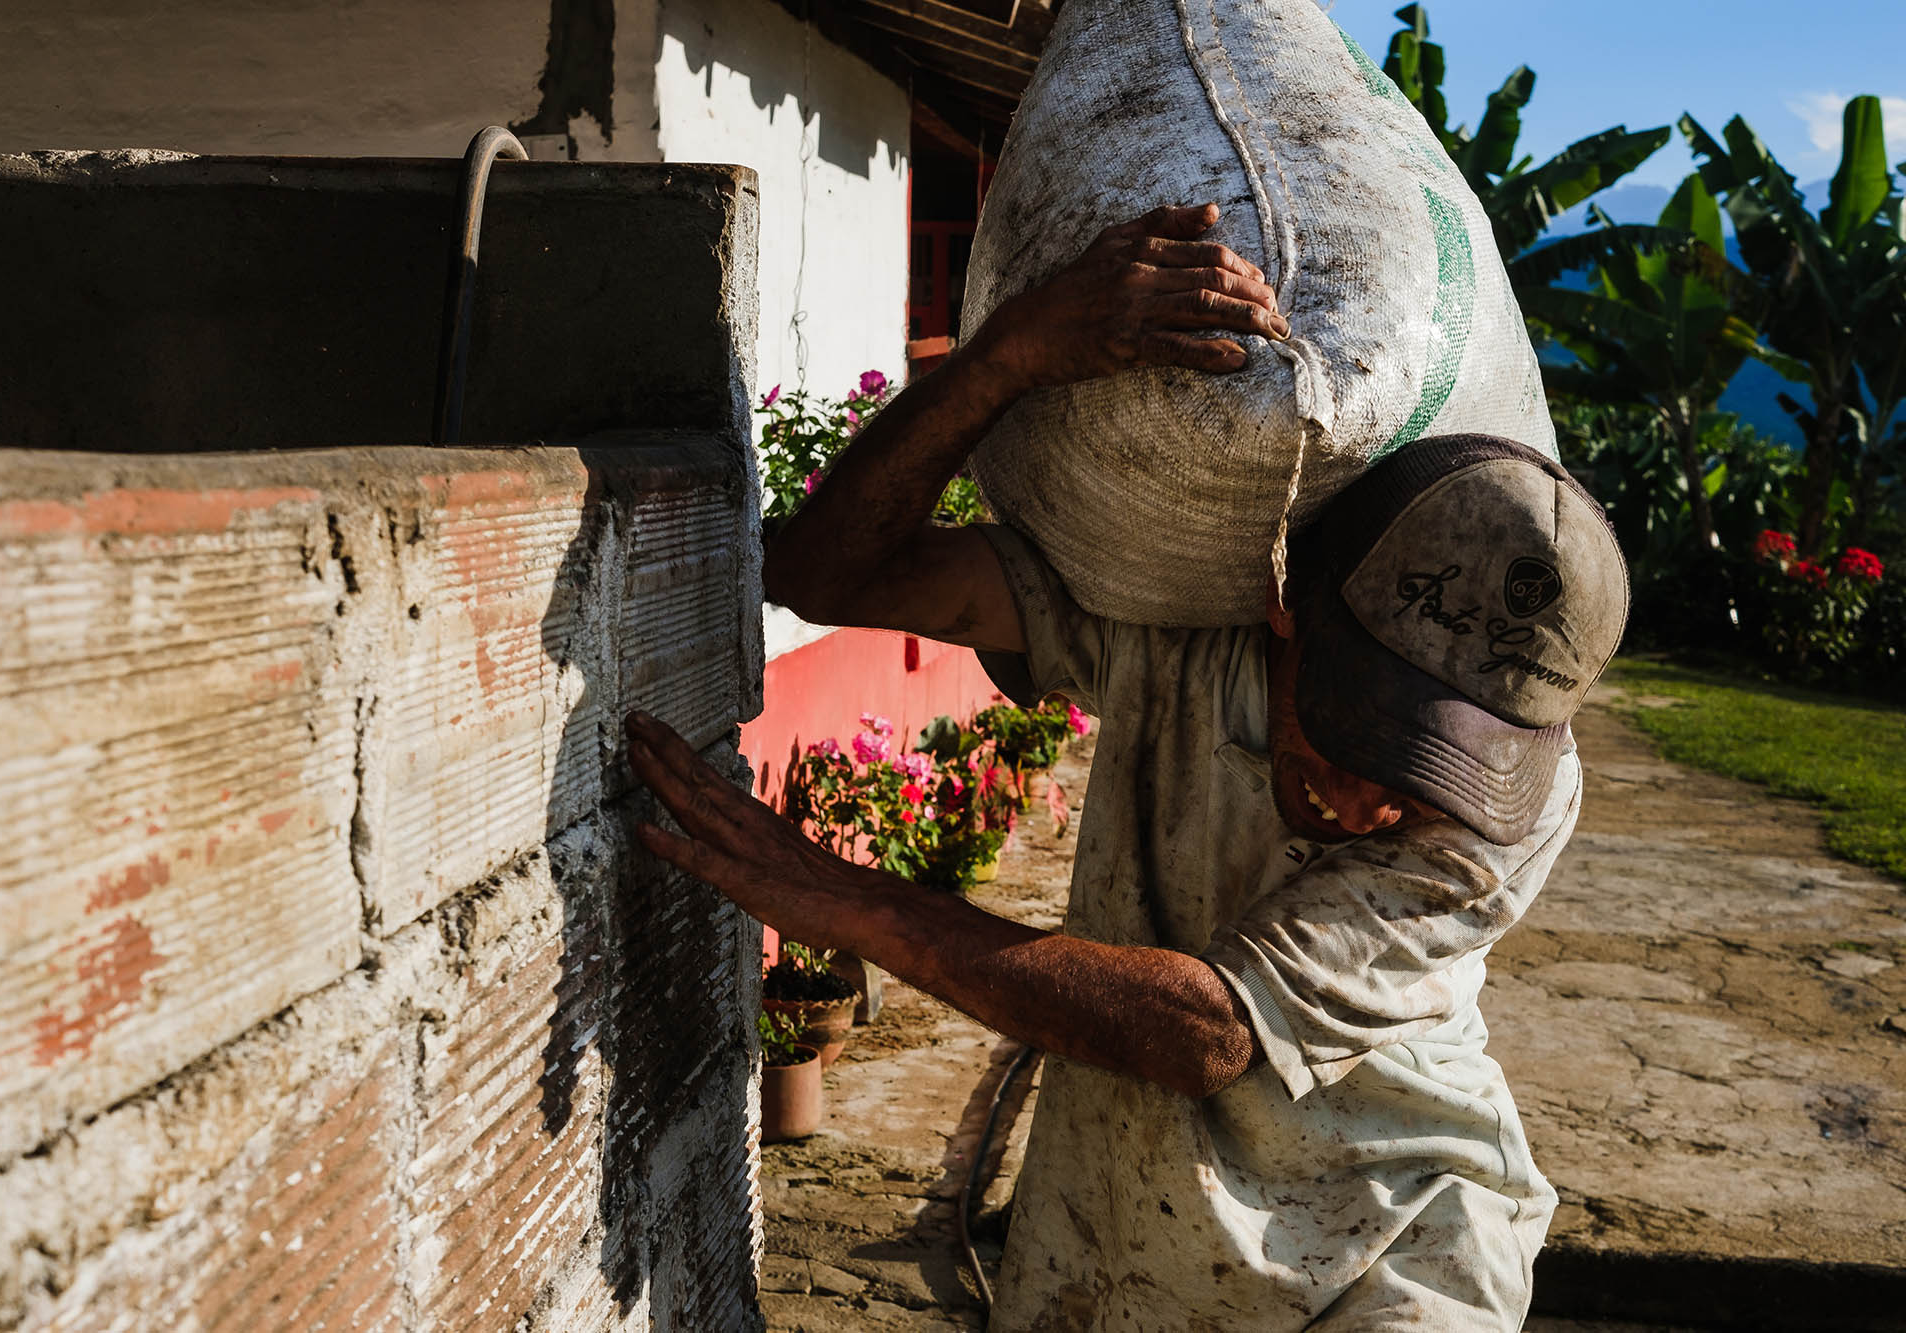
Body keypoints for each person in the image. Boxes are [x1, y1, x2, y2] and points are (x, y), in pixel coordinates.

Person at [623, 202, 1629, 1330]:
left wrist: (838, 896)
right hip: (1119, 1231)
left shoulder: (1516, 810)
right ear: (1281, 609)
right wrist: (1004, 360)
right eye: (1363, 731)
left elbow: (1201, 1030)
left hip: (1395, 1250)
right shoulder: (1173, 636)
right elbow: (829, 574)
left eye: (1438, 770)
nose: (1373, 801)